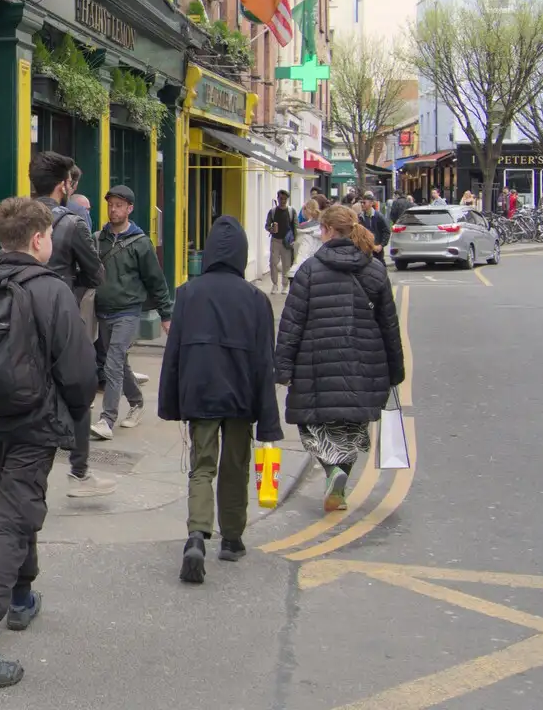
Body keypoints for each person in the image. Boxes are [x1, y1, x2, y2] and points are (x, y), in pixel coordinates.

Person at [0, 196, 96, 692]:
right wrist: (75, 420)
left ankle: (22, 596)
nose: (51, 242)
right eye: (49, 235)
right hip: (34, 423)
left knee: (18, 506)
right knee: (12, 523)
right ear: (37, 240)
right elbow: (78, 374)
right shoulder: (51, 290)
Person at [159, 215, 284, 583]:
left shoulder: (187, 293)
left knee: (202, 467)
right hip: (242, 395)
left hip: (200, 392)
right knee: (235, 467)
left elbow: (174, 354)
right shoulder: (256, 300)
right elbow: (265, 361)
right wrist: (269, 420)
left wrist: (171, 402)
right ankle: (231, 539)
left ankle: (197, 535)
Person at [275, 204, 405, 513]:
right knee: (351, 425)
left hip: (316, 361)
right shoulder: (374, 270)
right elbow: (389, 324)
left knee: (313, 425)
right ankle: (340, 480)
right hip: (365, 362)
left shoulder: (308, 271)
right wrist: (395, 370)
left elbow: (291, 323)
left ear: (329, 231)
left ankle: (331, 471)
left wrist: (283, 367)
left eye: (322, 229)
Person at [28, 152, 112, 498]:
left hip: (21, 313)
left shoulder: (15, 217)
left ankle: (23, 470)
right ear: (65, 185)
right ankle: (79, 473)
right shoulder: (73, 224)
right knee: (78, 390)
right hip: (62, 318)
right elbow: (97, 273)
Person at [92, 185, 173, 441]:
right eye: (110, 204)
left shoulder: (140, 243)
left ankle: (107, 420)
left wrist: (166, 314)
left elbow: (156, 280)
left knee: (113, 361)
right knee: (117, 362)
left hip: (128, 311)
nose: (113, 209)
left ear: (130, 209)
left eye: (118, 205)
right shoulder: (98, 239)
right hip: (102, 311)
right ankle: (137, 402)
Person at [264, 189, 297, 294]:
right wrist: (271, 229)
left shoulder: (291, 211)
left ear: (287, 199)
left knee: (286, 264)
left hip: (287, 241)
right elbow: (267, 225)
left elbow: (295, 226)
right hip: (275, 240)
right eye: (280, 198)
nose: (282, 201)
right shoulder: (273, 212)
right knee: (273, 262)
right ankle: (274, 284)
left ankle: (285, 285)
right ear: (277, 198)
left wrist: (294, 240)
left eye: (285, 199)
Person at [290, 198, 325, 278]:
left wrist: (293, 272)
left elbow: (302, 253)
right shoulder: (323, 229)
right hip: (319, 268)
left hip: (304, 269)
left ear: (306, 210)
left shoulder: (304, 231)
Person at [359, 197, 391, 263]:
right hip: (364, 251)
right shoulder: (360, 217)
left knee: (379, 267)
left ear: (371, 203)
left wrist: (381, 245)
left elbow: (386, 231)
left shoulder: (378, 216)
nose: (362, 204)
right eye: (361, 202)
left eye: (364, 202)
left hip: (376, 251)